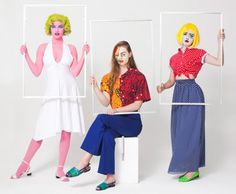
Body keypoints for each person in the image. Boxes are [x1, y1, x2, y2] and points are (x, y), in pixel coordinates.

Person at [11, 13, 89, 182]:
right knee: (40, 130)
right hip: (52, 92)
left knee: (66, 130)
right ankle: (24, 165)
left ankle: (60, 170)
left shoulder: (72, 48)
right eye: (54, 26)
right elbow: (37, 71)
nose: (57, 29)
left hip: (69, 91)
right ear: (49, 28)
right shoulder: (42, 47)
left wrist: (84, 54)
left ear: (65, 29)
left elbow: (74, 72)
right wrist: (26, 55)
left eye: (60, 26)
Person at [66, 41, 151, 190]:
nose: (120, 57)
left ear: (130, 54)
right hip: (115, 121)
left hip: (131, 122)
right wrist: (95, 88)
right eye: (117, 55)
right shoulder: (108, 77)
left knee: (101, 118)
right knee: (106, 135)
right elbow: (105, 102)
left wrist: (117, 110)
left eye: (123, 54)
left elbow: (137, 105)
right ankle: (110, 177)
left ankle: (84, 161)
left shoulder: (138, 77)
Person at [157, 23, 225, 182]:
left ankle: (193, 169)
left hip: (192, 92)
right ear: (180, 35)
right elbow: (171, 81)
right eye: (185, 34)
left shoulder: (198, 53)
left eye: (192, 35)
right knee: (178, 130)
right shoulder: (173, 58)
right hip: (178, 93)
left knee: (191, 130)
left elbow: (219, 61)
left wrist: (220, 41)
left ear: (195, 38)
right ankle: (185, 165)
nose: (188, 37)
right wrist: (163, 86)